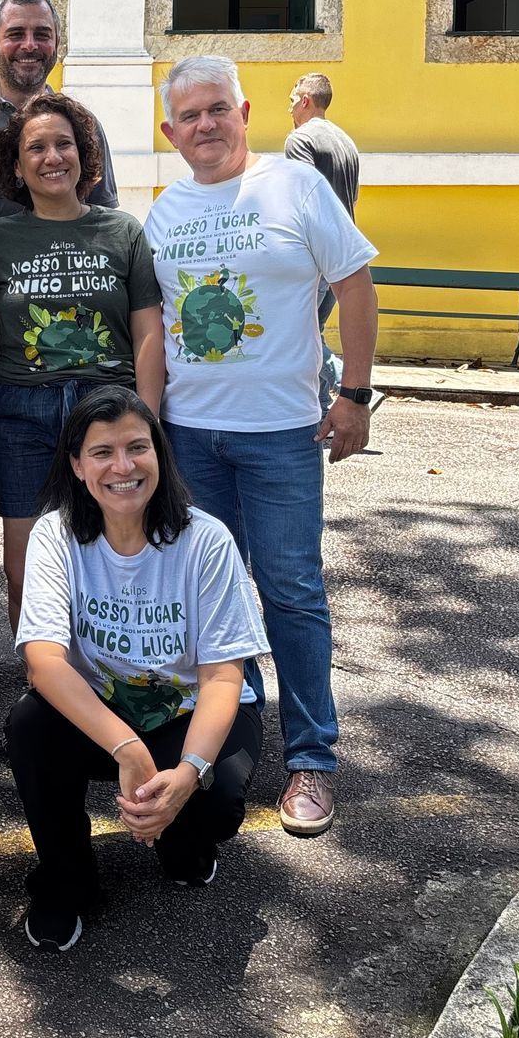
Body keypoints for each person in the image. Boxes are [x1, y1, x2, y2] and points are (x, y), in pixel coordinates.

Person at [146, 55, 379, 838]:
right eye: (189, 116)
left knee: (291, 591)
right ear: (169, 130)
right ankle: (235, 740)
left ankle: (313, 758)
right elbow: (151, 327)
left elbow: (354, 285)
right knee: (213, 598)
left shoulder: (296, 186)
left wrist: (353, 398)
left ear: (244, 112)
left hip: (281, 434)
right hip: (189, 436)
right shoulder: (164, 212)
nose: (205, 126)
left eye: (218, 109)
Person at [5, 388, 268, 951]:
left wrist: (190, 772)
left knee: (215, 800)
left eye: (137, 447)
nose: (122, 467)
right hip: (107, 717)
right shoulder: (56, 535)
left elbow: (224, 677)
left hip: (190, 713)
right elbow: (44, 663)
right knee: (29, 726)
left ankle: (185, 837)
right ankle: (65, 883)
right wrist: (127, 747)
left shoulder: (205, 540)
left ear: (160, 453)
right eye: (102, 452)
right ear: (76, 465)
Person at [0, 91, 162, 633]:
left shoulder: (123, 231)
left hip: (108, 408)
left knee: (113, 553)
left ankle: (107, 671)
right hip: (21, 413)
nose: (52, 157)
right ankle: (40, 683)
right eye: (35, 147)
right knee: (24, 564)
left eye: (64, 144)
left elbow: (148, 328)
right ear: (16, 166)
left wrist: (146, 422)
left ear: (85, 155)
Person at [0, 0, 118, 217]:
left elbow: (103, 223)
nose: (30, 45)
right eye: (16, 34)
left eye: (42, 35)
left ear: (57, 42)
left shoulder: (83, 126)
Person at [283, 71, 364, 408]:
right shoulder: (346, 141)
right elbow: (354, 198)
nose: (288, 110)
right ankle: (320, 409)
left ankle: (345, 379)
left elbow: (300, 196)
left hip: (313, 257)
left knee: (299, 334)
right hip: (342, 257)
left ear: (305, 100)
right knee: (310, 333)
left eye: (291, 101)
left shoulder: (300, 140)